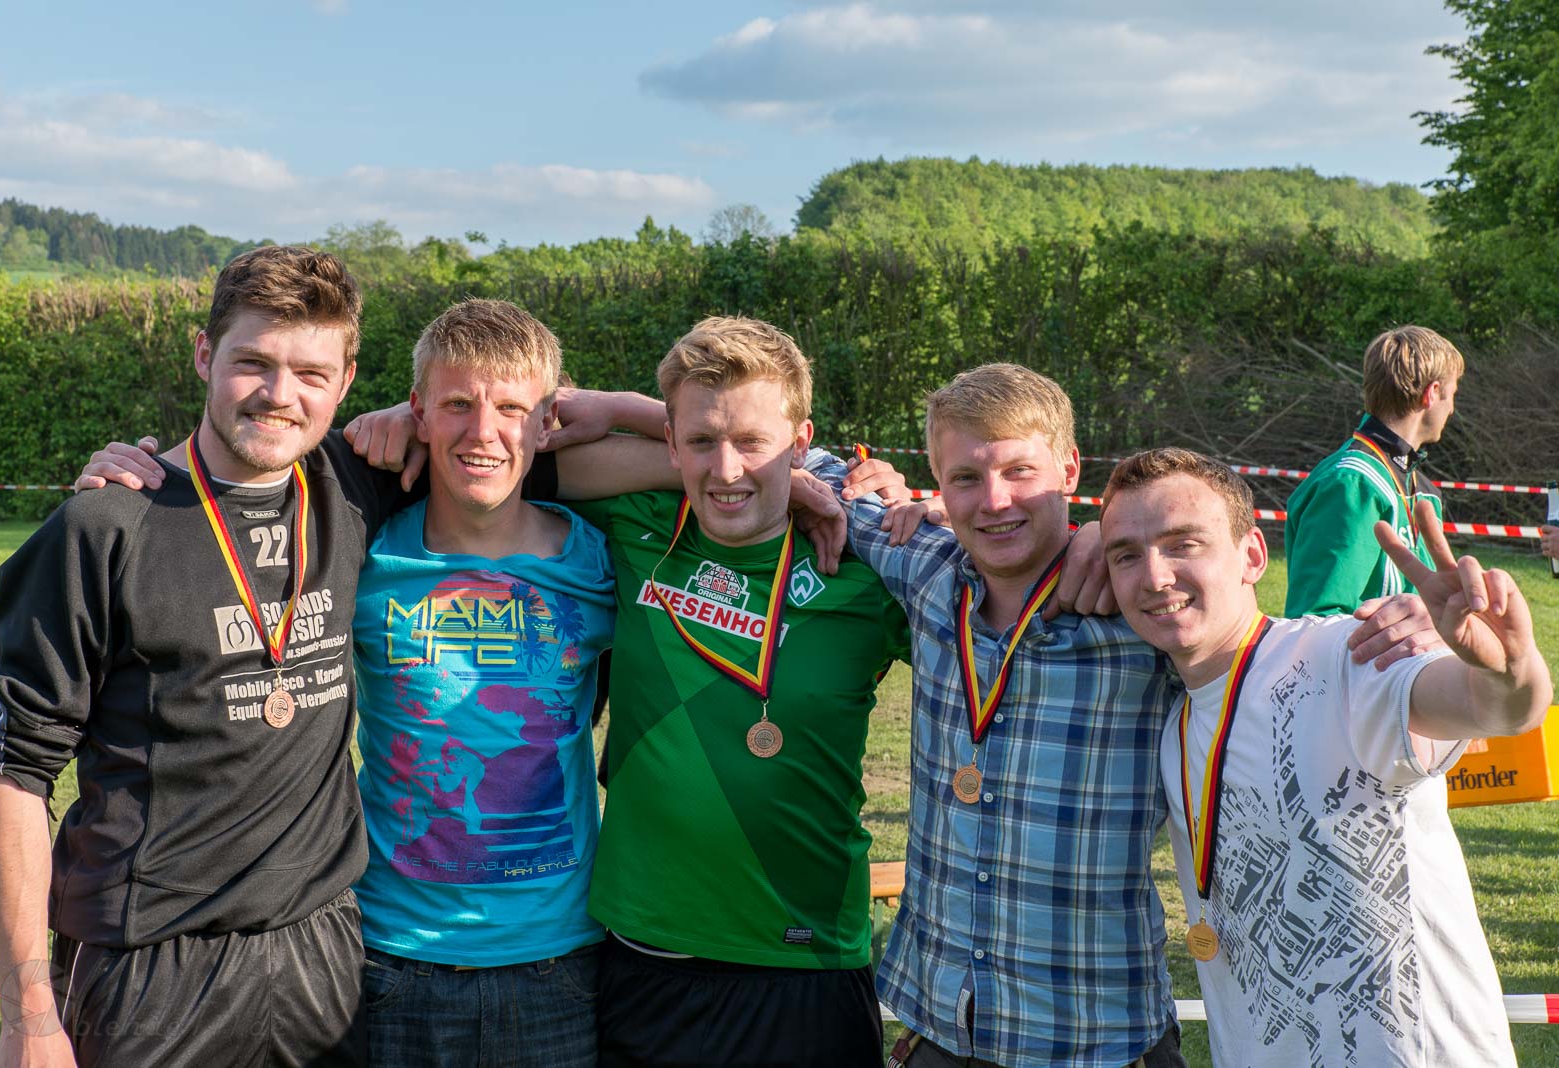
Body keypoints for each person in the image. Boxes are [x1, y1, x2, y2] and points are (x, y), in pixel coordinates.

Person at [0, 246, 390, 1066]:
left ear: (344, 383)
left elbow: (508, 435)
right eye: (253, 362)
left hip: (322, 947)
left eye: (311, 373)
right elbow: (15, 776)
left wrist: (620, 406)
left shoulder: (355, 484)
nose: (280, 394)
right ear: (204, 355)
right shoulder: (103, 528)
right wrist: (26, 1017)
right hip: (150, 967)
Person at [1100, 447, 1548, 1067]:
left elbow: (1496, 708)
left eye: (1184, 544)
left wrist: (1508, 666)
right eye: (1126, 555)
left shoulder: (1342, 659)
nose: (1154, 576)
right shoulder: (1171, 717)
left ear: (1253, 556)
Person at [808, 364, 1185, 1067]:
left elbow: (1254, 622)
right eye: (966, 478)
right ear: (937, 483)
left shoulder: (1140, 609)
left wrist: (1109, 533)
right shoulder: (923, 566)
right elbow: (778, 447)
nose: (994, 501)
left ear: (1070, 470)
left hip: (1097, 1041)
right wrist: (859, 480)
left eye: (1020, 472)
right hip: (939, 1034)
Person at [558, 317, 910, 1068]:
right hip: (647, 956)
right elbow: (515, 460)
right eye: (701, 440)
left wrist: (926, 509)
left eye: (753, 442)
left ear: (801, 440)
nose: (726, 471)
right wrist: (631, 413)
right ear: (671, 442)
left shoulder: (864, 565)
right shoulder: (640, 520)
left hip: (807, 962)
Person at [347, 300, 617, 1066]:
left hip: (557, 963)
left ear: (547, 422)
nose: (483, 432)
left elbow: (719, 451)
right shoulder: (366, 559)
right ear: (419, 413)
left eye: (511, 410)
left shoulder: (597, 562)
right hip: (391, 957)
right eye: (458, 404)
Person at [1283, 325, 1462, 616]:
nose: (1452, 408)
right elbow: (1318, 617)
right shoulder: (1350, 483)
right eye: (1452, 394)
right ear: (1432, 393)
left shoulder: (1424, 490)